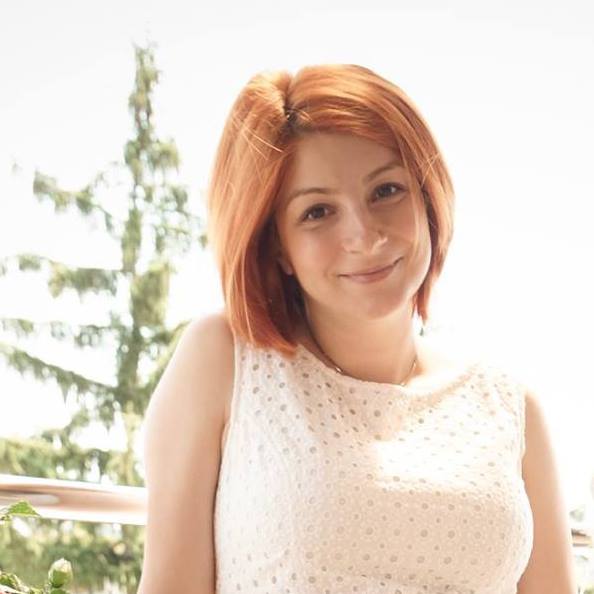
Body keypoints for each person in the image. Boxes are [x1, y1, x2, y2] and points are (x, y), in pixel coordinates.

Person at [136, 64, 577, 594]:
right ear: (277, 247)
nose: (364, 236)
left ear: (428, 199)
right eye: (318, 211)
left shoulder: (509, 405)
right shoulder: (224, 361)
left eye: (386, 190)